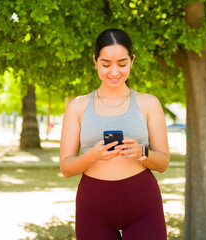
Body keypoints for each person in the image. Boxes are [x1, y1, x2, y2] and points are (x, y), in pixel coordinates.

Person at [59, 29, 169, 240]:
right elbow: (66, 168)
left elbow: (163, 163)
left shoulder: (149, 103)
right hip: (93, 206)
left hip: (143, 203)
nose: (114, 72)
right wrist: (93, 155)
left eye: (122, 63)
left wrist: (141, 151)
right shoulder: (78, 106)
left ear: (132, 61)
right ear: (95, 61)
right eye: (106, 64)